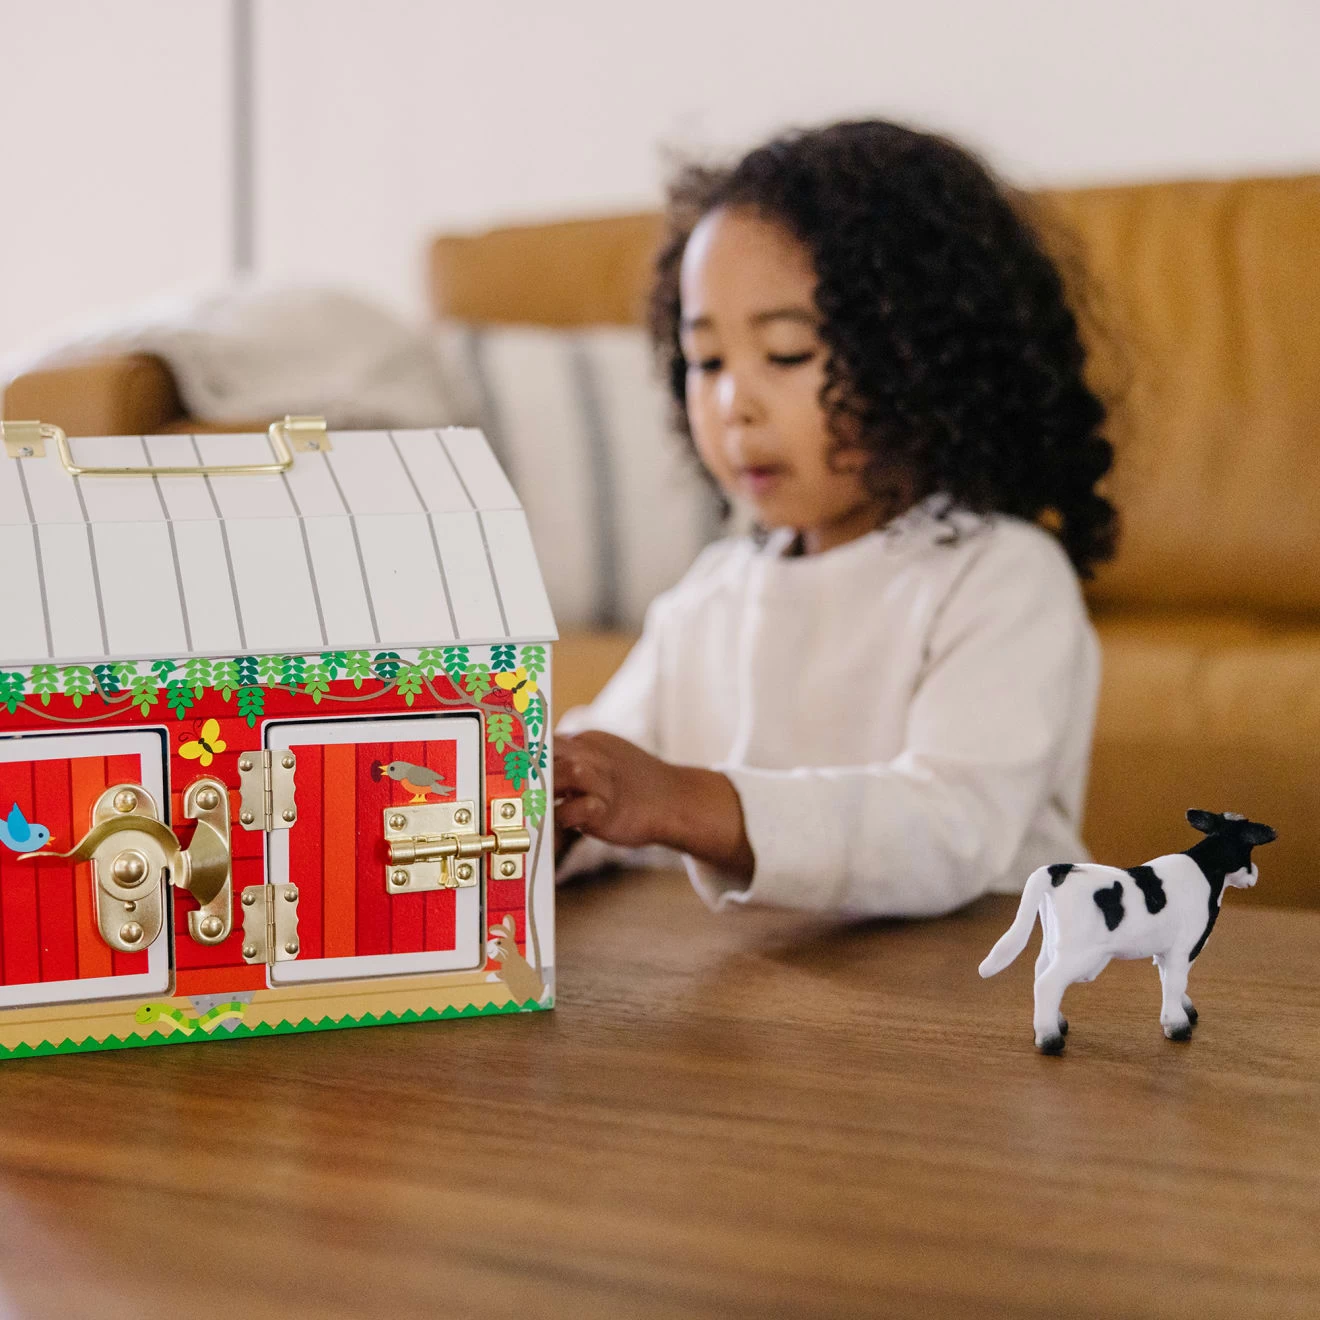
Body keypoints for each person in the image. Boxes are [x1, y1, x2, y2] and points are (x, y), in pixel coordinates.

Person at [553, 119, 1118, 917]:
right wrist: (550, 815)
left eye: (786, 353)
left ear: (921, 358)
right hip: (777, 986)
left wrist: (686, 801)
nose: (733, 403)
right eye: (707, 360)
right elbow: (609, 776)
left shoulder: (1001, 577)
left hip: (978, 978)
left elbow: (949, 828)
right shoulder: (712, 594)